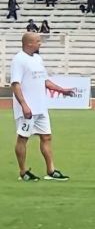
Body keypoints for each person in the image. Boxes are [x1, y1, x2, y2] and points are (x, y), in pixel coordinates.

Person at [11, 32, 75, 181]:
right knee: (23, 138)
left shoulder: (38, 59)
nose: (40, 43)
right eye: (38, 41)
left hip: (40, 107)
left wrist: (62, 90)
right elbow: (15, 85)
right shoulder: (19, 60)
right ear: (29, 44)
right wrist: (24, 105)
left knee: (46, 137)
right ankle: (23, 171)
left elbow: (45, 81)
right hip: (27, 109)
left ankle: (51, 170)